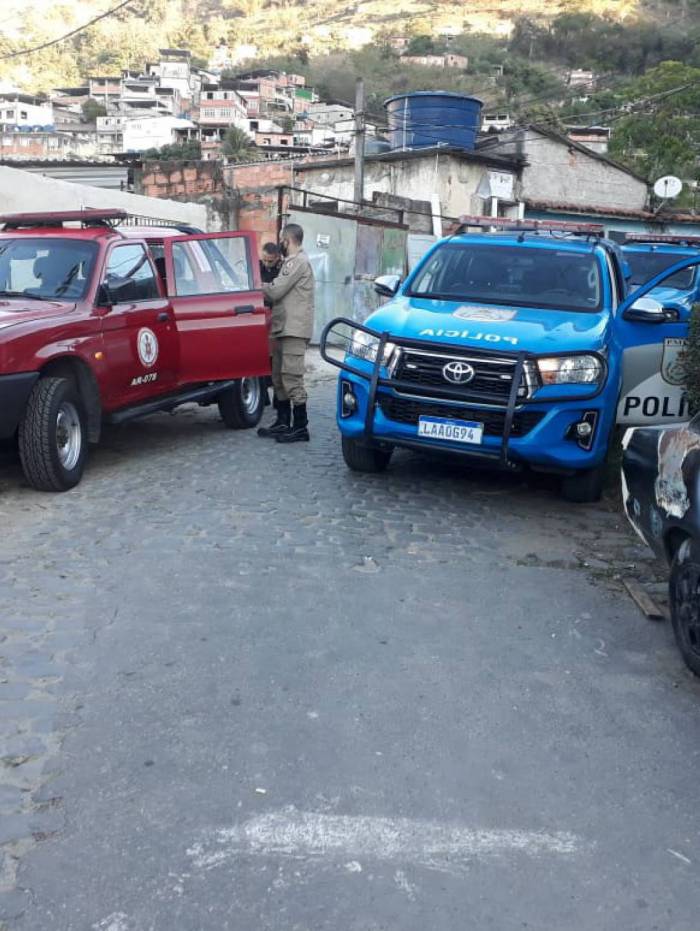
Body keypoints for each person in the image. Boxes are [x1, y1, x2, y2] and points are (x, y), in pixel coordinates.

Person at [257, 223, 314, 443]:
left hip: (294, 329)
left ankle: (300, 427)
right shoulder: (292, 262)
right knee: (278, 377)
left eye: (282, 240)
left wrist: (255, 285)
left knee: (291, 377)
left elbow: (276, 290)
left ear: (287, 240)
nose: (280, 243)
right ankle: (283, 421)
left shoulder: (298, 262)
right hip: (283, 327)